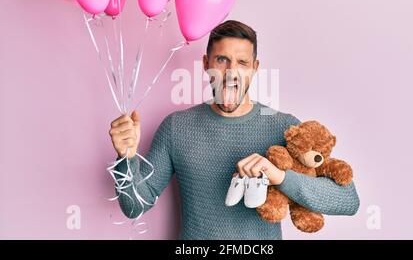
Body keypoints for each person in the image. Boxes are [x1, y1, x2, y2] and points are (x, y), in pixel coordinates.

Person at [109, 20, 360, 239]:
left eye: (242, 62)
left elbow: (348, 200)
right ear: (206, 63)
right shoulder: (177, 127)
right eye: (222, 60)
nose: (231, 72)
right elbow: (134, 206)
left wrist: (280, 177)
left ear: (255, 68)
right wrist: (126, 159)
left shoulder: (285, 127)